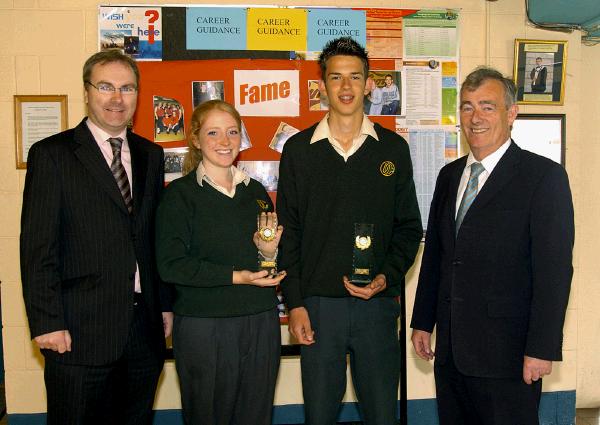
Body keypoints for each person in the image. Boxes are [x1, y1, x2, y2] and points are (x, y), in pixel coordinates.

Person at [410, 67, 574, 425]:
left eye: (487, 106)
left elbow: (555, 272)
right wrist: (422, 321)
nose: (476, 117)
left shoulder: (543, 177)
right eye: (467, 107)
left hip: (509, 356)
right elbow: (438, 256)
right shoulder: (449, 176)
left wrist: (541, 348)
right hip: (451, 353)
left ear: (511, 114)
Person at [20, 49, 173, 425]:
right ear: (87, 91)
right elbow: (37, 248)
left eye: (127, 88)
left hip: (142, 331)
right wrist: (46, 322)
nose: (117, 98)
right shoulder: (52, 155)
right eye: (106, 87)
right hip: (77, 332)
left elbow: (155, 238)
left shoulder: (151, 156)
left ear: (137, 94)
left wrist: (165, 304)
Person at [277, 37, 422, 425]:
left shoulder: (392, 149)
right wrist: (296, 304)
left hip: (376, 306)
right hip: (318, 308)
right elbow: (287, 233)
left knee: (381, 416)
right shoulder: (299, 150)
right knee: (319, 416)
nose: (345, 87)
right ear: (322, 85)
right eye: (336, 77)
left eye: (354, 77)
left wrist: (385, 278)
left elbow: (409, 228)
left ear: (369, 83)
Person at [155, 100, 286, 425]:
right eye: (213, 132)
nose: (225, 141)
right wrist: (237, 277)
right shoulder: (180, 195)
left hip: (260, 321)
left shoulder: (254, 191)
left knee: (256, 417)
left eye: (232, 132)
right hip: (205, 325)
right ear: (196, 139)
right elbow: (172, 265)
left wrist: (268, 254)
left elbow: (263, 261)